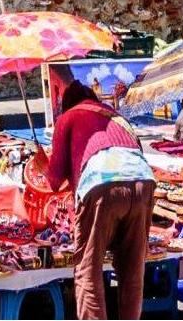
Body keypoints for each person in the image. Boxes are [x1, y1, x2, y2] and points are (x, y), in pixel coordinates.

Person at [47, 79, 155, 319]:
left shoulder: (68, 117)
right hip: (143, 181)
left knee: (88, 269)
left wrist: (43, 162)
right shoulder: (117, 117)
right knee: (132, 269)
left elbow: (53, 180)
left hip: (101, 183)